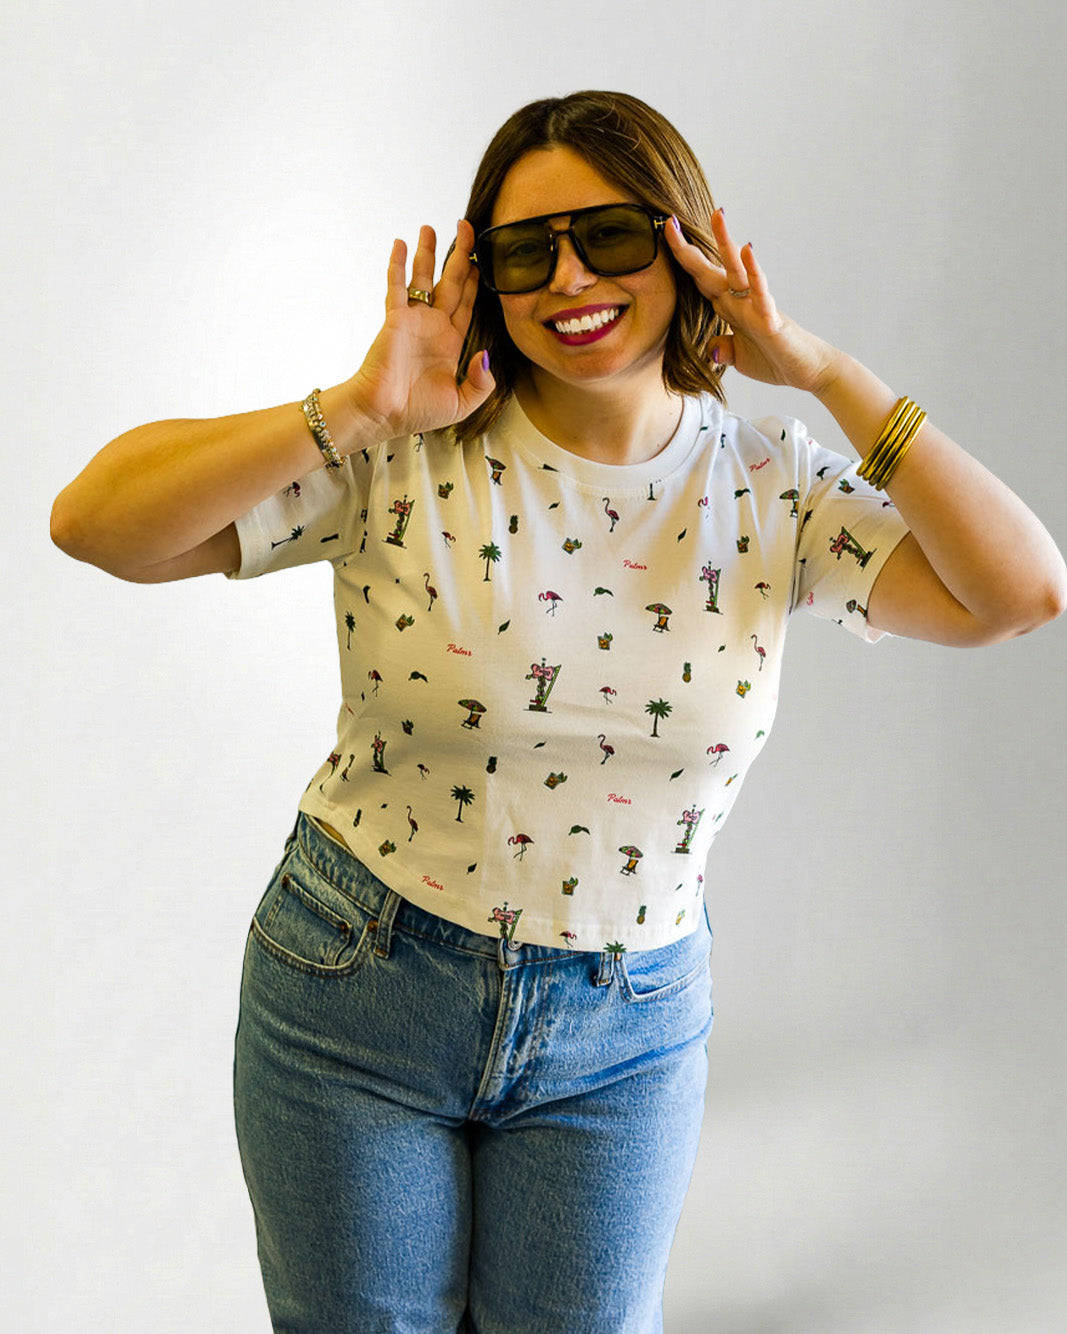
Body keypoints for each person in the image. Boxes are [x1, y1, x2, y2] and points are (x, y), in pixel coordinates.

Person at [50, 90, 1065, 1333]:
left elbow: (1017, 591)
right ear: (484, 276)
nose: (568, 276)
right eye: (525, 249)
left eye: (611, 235)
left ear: (682, 241)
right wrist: (356, 406)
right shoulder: (402, 455)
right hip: (359, 982)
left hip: (622, 1027)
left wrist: (821, 371)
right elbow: (95, 522)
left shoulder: (769, 489)